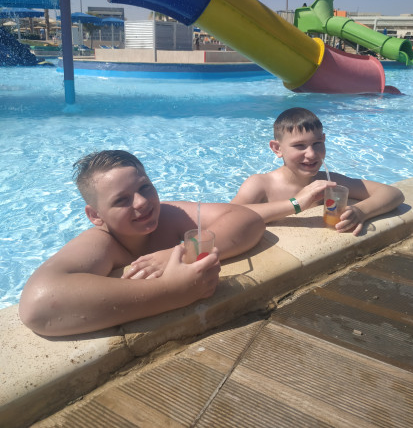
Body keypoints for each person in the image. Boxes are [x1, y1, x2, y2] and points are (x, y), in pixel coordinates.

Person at [19, 150, 265, 337]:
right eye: (121, 200)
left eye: (145, 187)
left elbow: (247, 219)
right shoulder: (102, 243)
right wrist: (171, 292)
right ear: (95, 215)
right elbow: (38, 306)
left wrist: (179, 253)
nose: (141, 202)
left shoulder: (167, 216)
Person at [231, 107, 404, 235]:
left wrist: (361, 211)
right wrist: (296, 203)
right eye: (299, 146)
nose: (312, 154)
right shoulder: (261, 184)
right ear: (277, 148)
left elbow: (393, 193)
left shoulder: (328, 182)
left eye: (317, 143)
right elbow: (229, 216)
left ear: (324, 140)